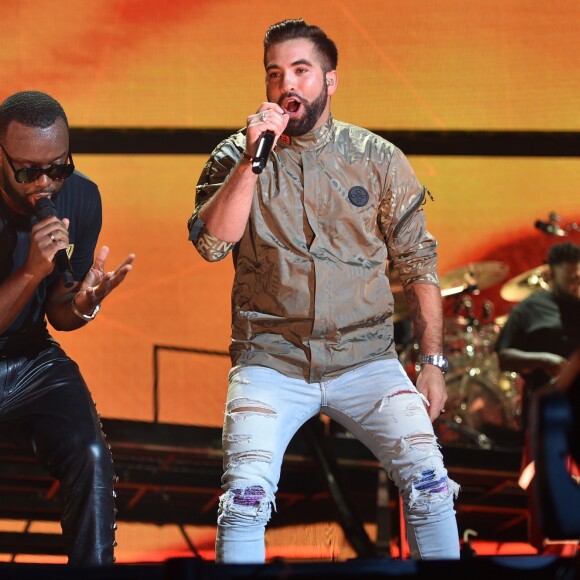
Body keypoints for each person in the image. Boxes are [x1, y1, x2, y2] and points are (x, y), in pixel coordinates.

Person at [188, 19, 459, 563]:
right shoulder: (235, 155)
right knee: (243, 500)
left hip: (367, 359)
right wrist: (251, 158)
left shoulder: (378, 159)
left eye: (301, 71)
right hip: (271, 358)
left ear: (329, 81)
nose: (286, 84)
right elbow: (213, 245)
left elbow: (418, 265)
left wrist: (432, 362)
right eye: (275, 73)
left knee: (431, 485)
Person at [0, 91, 135, 565]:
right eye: (28, 171)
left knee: (92, 456)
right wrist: (32, 271)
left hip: (31, 356)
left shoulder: (81, 195)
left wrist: (83, 304)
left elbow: (59, 311)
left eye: (57, 167)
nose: (44, 184)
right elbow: (36, 277)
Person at [495, 241, 580, 553]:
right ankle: (550, 559)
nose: (576, 284)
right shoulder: (530, 308)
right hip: (548, 416)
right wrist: (543, 359)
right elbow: (504, 356)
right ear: (550, 274)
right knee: (551, 494)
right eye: (571, 278)